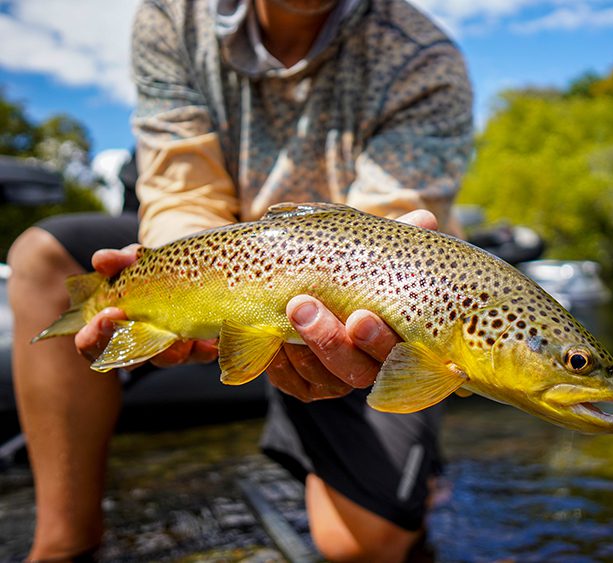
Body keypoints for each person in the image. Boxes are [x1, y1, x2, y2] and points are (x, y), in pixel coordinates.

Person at [7, 0, 473, 560]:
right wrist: (181, 277)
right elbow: (183, 189)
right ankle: (64, 544)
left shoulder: (425, 58)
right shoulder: (172, 16)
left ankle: (419, 480)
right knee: (43, 257)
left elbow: (384, 239)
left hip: (353, 291)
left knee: (362, 545)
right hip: (226, 249)